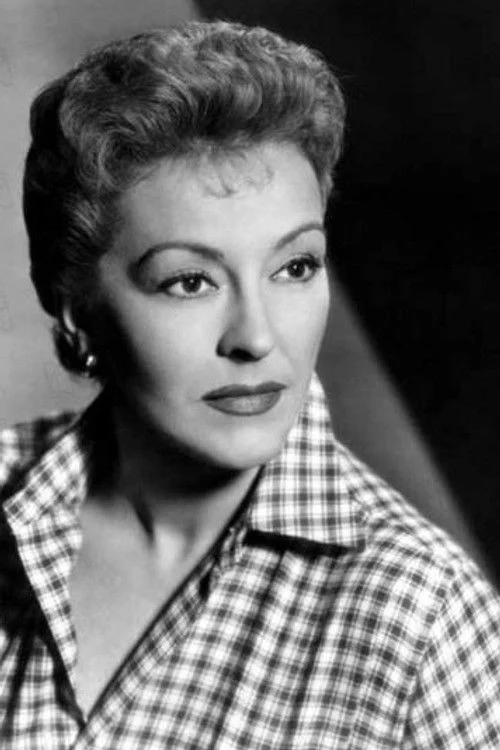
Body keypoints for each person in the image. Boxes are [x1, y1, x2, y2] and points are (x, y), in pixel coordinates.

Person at [0, 19, 499, 749]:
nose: (257, 338)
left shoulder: (424, 615)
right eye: (190, 281)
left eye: (295, 267)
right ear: (77, 311)